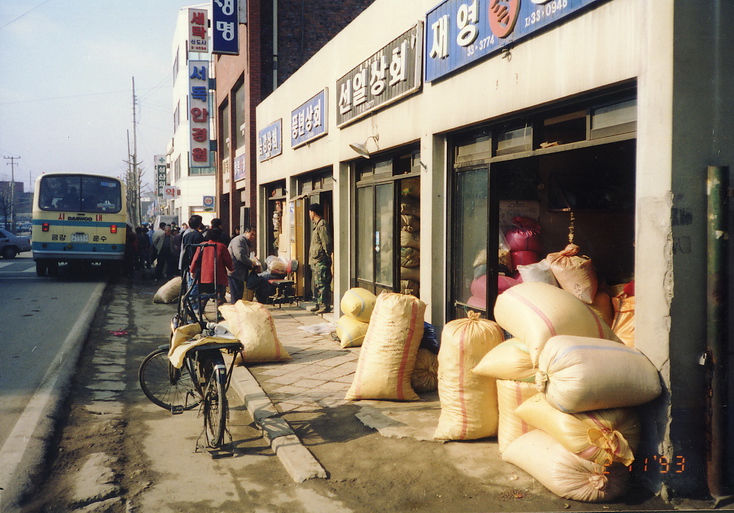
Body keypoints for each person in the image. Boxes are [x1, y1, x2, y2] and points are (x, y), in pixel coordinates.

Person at [189, 228, 233, 306]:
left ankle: (200, 309)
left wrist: (192, 270)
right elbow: (228, 260)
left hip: (204, 277)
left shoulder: (202, 245)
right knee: (219, 297)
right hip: (219, 277)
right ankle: (218, 310)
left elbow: (195, 259)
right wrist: (231, 268)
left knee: (204, 296)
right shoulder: (222, 246)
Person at [308, 203, 332, 313]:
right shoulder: (316, 225)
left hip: (322, 259)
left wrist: (328, 257)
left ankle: (325, 305)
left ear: (313, 213)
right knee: (318, 283)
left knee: (323, 283)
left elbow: (326, 242)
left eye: (310, 212)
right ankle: (318, 303)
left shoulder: (322, 225)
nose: (309, 215)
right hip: (316, 260)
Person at [227, 226, 261, 303]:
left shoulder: (245, 241)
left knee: (239, 293)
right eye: (252, 234)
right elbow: (240, 255)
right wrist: (250, 262)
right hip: (235, 271)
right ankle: (235, 308)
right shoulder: (239, 240)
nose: (253, 237)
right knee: (236, 293)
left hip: (239, 272)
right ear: (246, 232)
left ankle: (237, 307)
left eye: (255, 235)